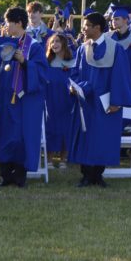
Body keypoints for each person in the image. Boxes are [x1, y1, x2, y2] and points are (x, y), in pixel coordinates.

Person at [69, 12, 131, 187]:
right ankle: (86, 175)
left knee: (103, 137)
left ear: (97, 28)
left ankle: (97, 175)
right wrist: (75, 87)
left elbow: (121, 77)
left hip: (106, 102)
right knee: (86, 136)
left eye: (86, 26)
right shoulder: (83, 49)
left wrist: (116, 101)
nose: (83, 29)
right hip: (87, 101)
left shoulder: (116, 48)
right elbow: (75, 73)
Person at [0, 7, 48, 188]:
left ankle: (19, 177)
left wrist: (25, 62)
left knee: (20, 137)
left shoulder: (33, 46)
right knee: (4, 135)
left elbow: (42, 73)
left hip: (22, 101)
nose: (5, 26)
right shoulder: (4, 45)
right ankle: (5, 176)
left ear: (18, 23)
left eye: (8, 22)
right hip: (5, 100)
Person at [44, 33, 75, 169]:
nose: (54, 44)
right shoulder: (46, 62)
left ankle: (63, 159)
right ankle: (49, 160)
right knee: (50, 128)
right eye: (52, 42)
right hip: (50, 99)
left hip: (67, 100)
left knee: (65, 129)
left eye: (57, 42)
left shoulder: (72, 62)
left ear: (64, 44)